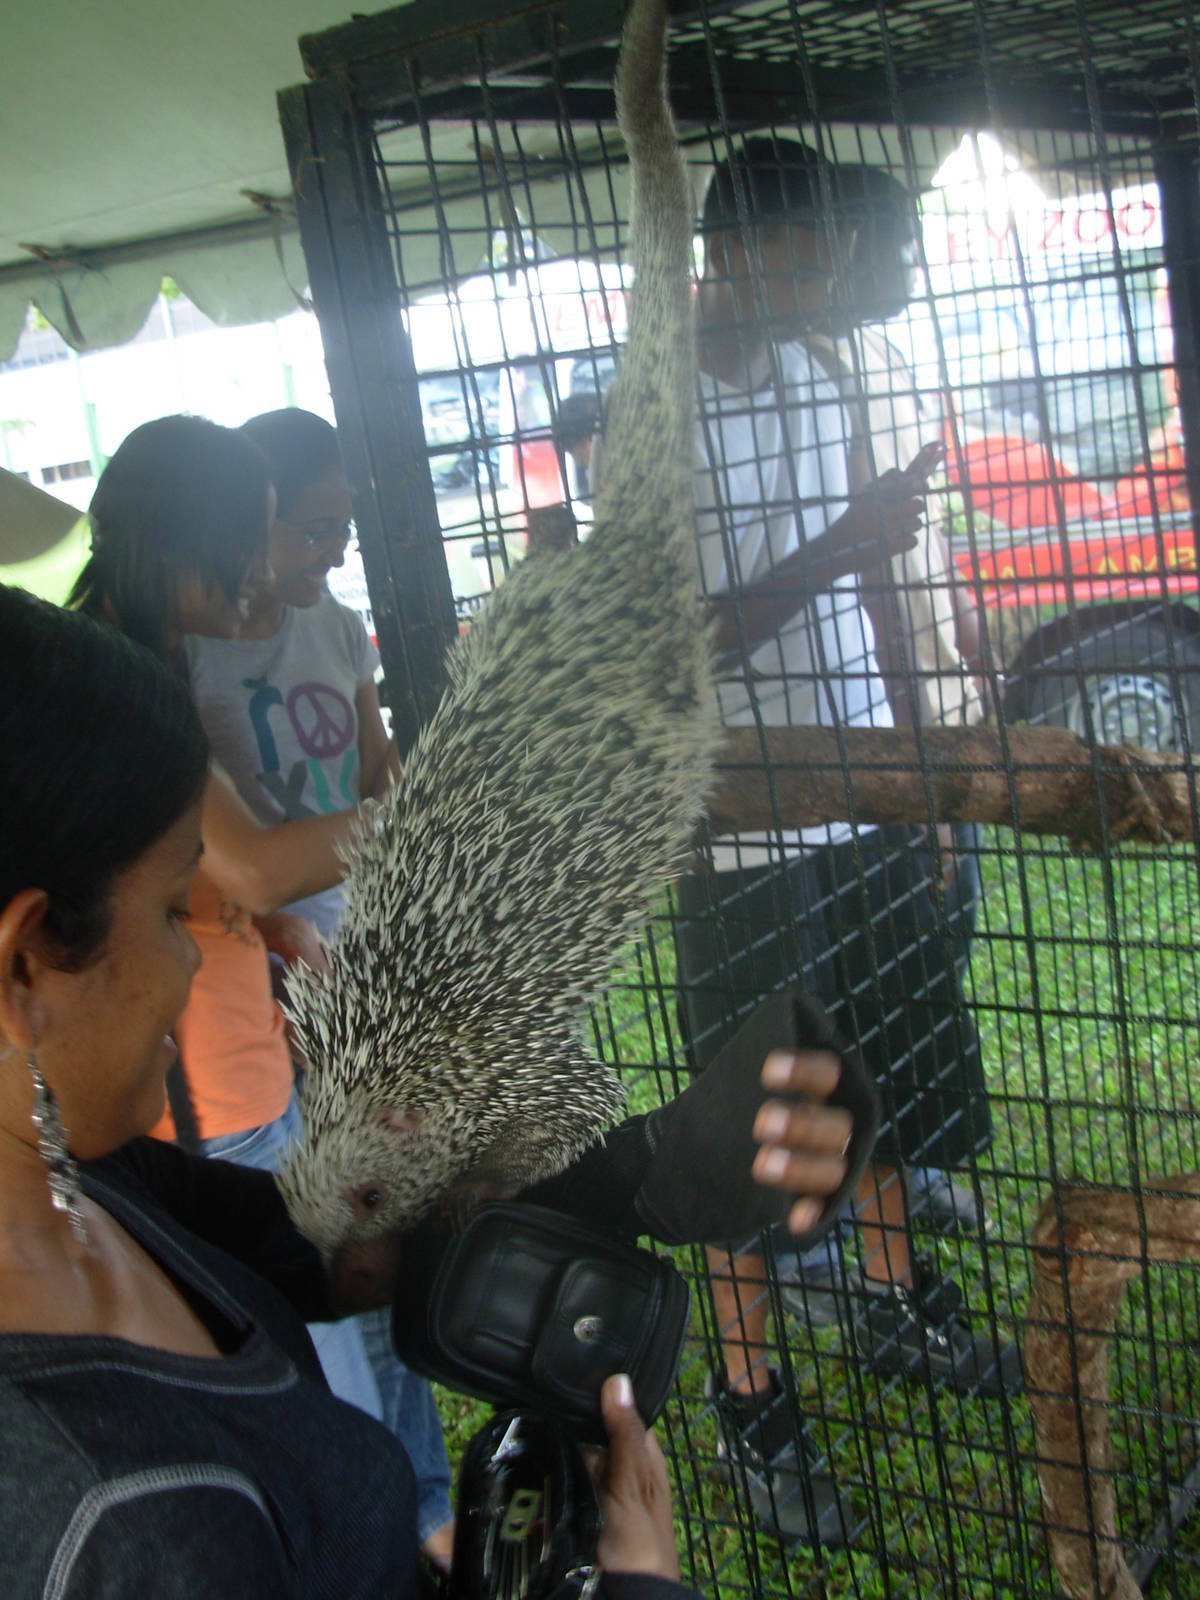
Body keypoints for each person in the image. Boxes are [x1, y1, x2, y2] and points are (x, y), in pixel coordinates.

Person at [0, 579, 854, 1594]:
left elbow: (333, 1257)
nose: (198, 962)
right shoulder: (103, 1521)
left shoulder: (92, 1185)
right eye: (174, 907)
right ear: (25, 962)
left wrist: (635, 1175)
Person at [676, 138, 1019, 1547]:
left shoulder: (822, 379)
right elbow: (676, 654)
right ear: (740, 252)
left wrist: (922, 773)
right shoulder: (657, 416)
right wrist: (841, 545)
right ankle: (751, 1396)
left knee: (889, 1066)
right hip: (745, 826)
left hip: (865, 791)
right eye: (815, 257)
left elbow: (880, 567)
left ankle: (892, 1301)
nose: (837, 285)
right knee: (754, 1131)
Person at [65, 414, 455, 1563]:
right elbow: (250, 861)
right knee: (318, 1393)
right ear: (186, 540)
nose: (262, 566)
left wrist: (274, 920)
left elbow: (224, 882)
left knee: (363, 1320)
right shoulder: (115, 673)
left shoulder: (158, 658)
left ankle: (425, 1531)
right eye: (249, 538)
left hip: (253, 1068)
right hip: (203, 1109)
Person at [183, 404, 453, 1560]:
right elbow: (235, 869)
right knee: (319, 1254)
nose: (328, 554)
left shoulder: (336, 632)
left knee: (382, 1242)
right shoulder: (192, 651)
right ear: (250, 530)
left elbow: (376, 763)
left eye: (345, 529)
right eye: (311, 531)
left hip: (360, 967)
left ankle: (431, 1512)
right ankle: (382, 1518)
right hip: (266, 988)